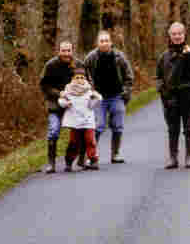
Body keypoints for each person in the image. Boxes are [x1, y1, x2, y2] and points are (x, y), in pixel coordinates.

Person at [84, 31, 134, 164]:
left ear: (111, 42)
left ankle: (115, 154)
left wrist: (125, 91)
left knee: (118, 126)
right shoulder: (91, 57)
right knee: (98, 126)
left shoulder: (119, 56)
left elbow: (129, 75)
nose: (105, 43)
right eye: (102, 41)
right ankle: (91, 156)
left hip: (117, 96)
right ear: (97, 43)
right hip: (99, 97)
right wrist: (89, 89)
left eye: (107, 40)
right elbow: (83, 74)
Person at [156, 22, 190, 169]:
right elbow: (159, 77)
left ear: (184, 35)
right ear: (169, 35)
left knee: (189, 128)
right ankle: (173, 158)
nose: (177, 36)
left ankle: (189, 157)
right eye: (174, 34)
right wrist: (162, 91)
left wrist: (187, 54)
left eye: (179, 34)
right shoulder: (163, 57)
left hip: (188, 96)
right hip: (170, 97)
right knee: (172, 129)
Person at [39, 41, 83, 173]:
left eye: (68, 50)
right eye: (63, 51)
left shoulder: (79, 64)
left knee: (78, 133)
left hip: (74, 105)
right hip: (55, 104)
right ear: (59, 51)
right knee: (53, 131)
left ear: (72, 51)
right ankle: (51, 163)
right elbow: (44, 85)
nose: (66, 53)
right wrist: (59, 93)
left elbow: (88, 81)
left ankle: (71, 161)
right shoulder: (50, 65)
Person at [58, 67, 102, 171]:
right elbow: (61, 101)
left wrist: (96, 98)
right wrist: (65, 103)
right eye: (77, 77)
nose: (79, 79)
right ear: (73, 79)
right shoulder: (68, 90)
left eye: (82, 77)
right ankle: (69, 162)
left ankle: (93, 160)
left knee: (90, 140)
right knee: (74, 142)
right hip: (75, 121)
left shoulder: (89, 91)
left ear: (85, 79)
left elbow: (92, 105)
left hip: (87, 120)